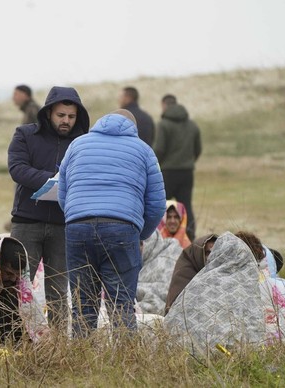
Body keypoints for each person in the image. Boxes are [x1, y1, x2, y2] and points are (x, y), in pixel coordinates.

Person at [58, 109, 166, 336]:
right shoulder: (144, 150)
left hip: (78, 227)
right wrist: (140, 234)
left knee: (82, 304)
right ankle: (126, 362)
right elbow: (156, 204)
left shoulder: (78, 145)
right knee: (121, 303)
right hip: (122, 229)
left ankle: (80, 362)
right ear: (133, 127)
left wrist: (77, 217)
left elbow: (63, 192)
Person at [8, 86, 90, 328]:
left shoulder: (83, 142)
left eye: (71, 116)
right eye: (61, 115)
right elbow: (17, 168)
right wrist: (53, 180)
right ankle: (12, 340)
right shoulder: (24, 134)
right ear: (49, 112)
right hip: (27, 222)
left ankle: (58, 348)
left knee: (58, 292)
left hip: (64, 225)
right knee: (17, 286)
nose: (66, 121)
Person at [165, 231, 264, 314]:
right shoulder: (185, 273)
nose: (212, 257)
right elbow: (177, 309)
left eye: (215, 252)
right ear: (199, 254)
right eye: (208, 253)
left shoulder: (221, 275)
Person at [154, 94, 201, 241]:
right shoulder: (192, 125)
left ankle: (159, 236)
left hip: (168, 172)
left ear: (164, 105)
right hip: (187, 172)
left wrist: (156, 165)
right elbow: (198, 149)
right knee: (186, 205)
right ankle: (189, 236)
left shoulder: (163, 124)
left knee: (161, 206)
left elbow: (160, 148)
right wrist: (188, 161)